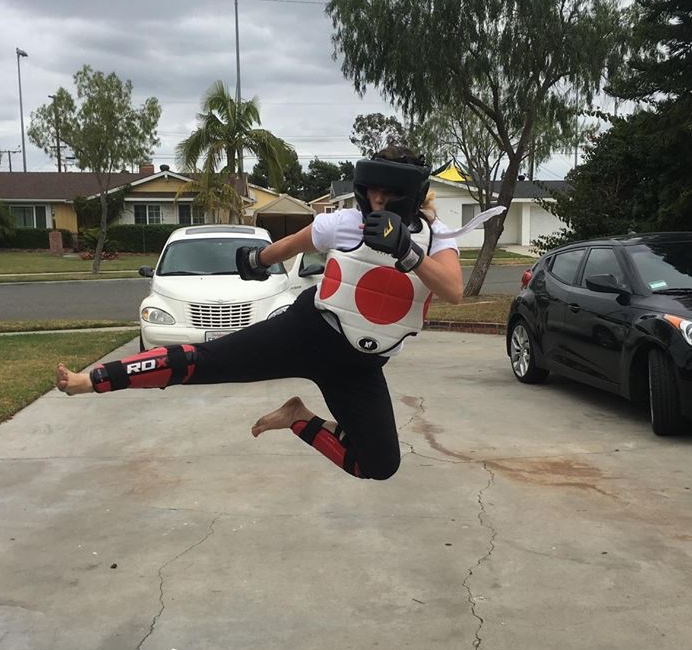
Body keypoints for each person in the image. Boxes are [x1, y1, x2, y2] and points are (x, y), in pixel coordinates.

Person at [56, 146, 501, 480]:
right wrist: (257, 261)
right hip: (305, 332)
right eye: (372, 192)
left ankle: (297, 417)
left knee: (379, 465)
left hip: (359, 366)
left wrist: (406, 250)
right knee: (203, 363)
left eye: (390, 195)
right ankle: (88, 381)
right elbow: (289, 246)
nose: (378, 202)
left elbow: (453, 291)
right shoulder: (343, 222)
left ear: (413, 195)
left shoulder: (438, 237)